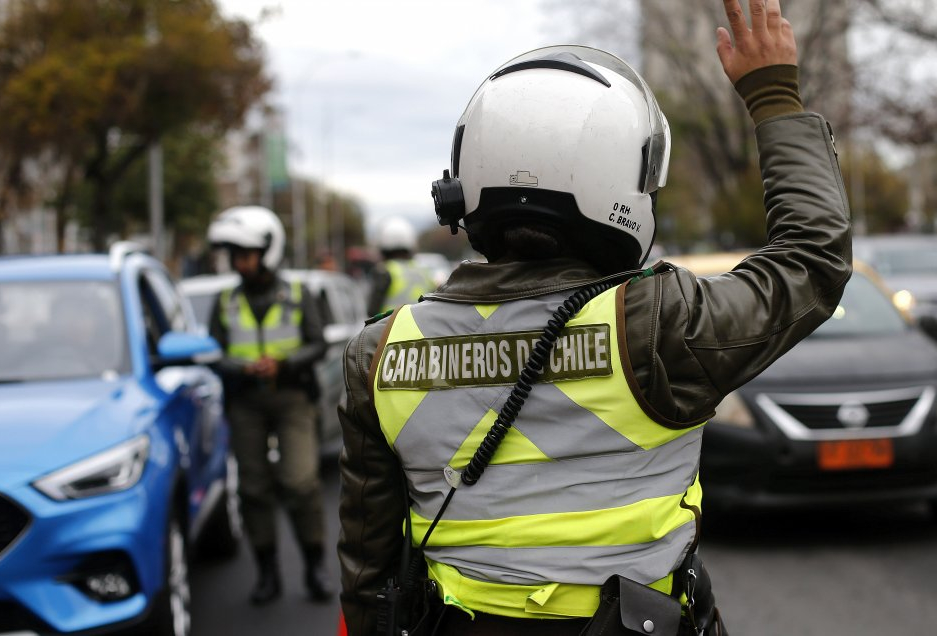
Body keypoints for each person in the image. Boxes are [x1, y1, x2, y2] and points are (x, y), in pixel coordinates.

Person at [338, 0, 852, 634]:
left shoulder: (380, 353)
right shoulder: (660, 325)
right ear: (622, 185)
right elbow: (813, 258)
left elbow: (369, 569)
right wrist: (773, 94)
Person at [205, 205, 334, 605]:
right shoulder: (225, 299)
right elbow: (213, 350)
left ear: (268, 250)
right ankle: (267, 573)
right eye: (234, 254)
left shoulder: (298, 293)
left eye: (246, 253)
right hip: (246, 403)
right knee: (254, 489)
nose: (239, 262)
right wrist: (239, 367)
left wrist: (284, 363)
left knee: (299, 481)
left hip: (293, 398)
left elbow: (319, 342)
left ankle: (314, 566)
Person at [367, 216, 439, 316]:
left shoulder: (384, 271)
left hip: (390, 329)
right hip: (422, 329)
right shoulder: (423, 271)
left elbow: (372, 311)